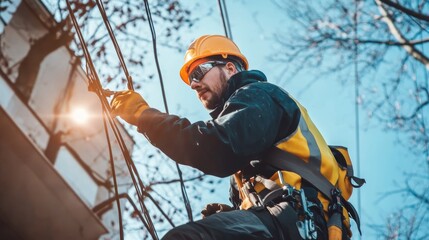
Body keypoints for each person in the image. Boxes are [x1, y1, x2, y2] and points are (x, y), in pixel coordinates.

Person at [110, 35, 352, 240]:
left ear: (230, 68)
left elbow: (214, 148)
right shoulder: (249, 143)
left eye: (199, 72)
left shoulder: (259, 95)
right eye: (191, 80)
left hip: (293, 221)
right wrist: (236, 210)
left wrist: (144, 116)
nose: (194, 84)